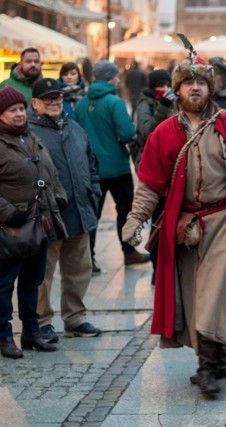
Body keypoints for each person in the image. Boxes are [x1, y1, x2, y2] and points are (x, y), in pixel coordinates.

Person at [122, 59, 226, 398]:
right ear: (176, 90)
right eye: (188, 83)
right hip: (185, 227)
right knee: (193, 300)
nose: (195, 88)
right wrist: (135, 219)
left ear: (211, 88)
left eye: (202, 83)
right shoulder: (164, 132)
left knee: (211, 296)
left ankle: (207, 368)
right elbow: (150, 185)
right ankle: (216, 359)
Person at [28, 78, 103, 343]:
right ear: (34, 103)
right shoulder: (28, 132)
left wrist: (94, 192)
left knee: (79, 269)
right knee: (42, 275)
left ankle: (75, 318)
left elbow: (92, 164)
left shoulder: (75, 128)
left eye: (57, 97)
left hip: (79, 211)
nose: (53, 102)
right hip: (47, 216)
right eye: (47, 98)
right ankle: (42, 321)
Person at [0, 86, 66, 358]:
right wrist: (8, 212)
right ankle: (4, 337)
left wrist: (59, 196)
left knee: (32, 280)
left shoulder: (31, 136)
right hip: (11, 228)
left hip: (40, 223)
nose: (18, 114)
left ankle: (31, 332)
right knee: (3, 286)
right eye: (11, 110)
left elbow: (51, 171)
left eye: (20, 109)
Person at [73, 60, 148, 273]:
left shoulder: (81, 103)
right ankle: (129, 252)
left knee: (92, 215)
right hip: (116, 167)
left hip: (90, 168)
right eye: (115, 75)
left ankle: (90, 258)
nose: (118, 78)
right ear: (109, 77)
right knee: (125, 211)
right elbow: (126, 133)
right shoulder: (114, 102)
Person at [132, 68, 176, 285]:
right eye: (160, 86)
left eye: (167, 85)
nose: (165, 89)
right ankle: (157, 270)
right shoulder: (145, 104)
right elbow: (148, 132)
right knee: (158, 220)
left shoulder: (175, 101)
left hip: (174, 168)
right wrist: (164, 107)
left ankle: (173, 267)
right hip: (154, 170)